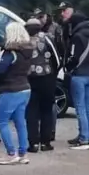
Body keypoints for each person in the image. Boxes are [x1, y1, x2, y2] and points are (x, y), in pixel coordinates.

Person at [0, 21, 35, 164]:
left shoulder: (10, 52)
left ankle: (11, 153)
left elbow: (1, 69)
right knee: (20, 122)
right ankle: (23, 153)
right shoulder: (28, 51)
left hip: (10, 89)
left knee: (1, 121)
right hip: (25, 88)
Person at [64, 8, 89, 149]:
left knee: (80, 108)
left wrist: (67, 66)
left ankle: (84, 138)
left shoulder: (77, 36)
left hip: (79, 74)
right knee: (88, 107)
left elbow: (74, 57)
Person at [26, 18, 62, 152]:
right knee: (46, 110)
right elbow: (57, 60)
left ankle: (33, 143)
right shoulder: (47, 38)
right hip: (47, 79)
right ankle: (45, 142)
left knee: (31, 111)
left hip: (29, 79)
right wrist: (53, 75)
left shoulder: (23, 40)